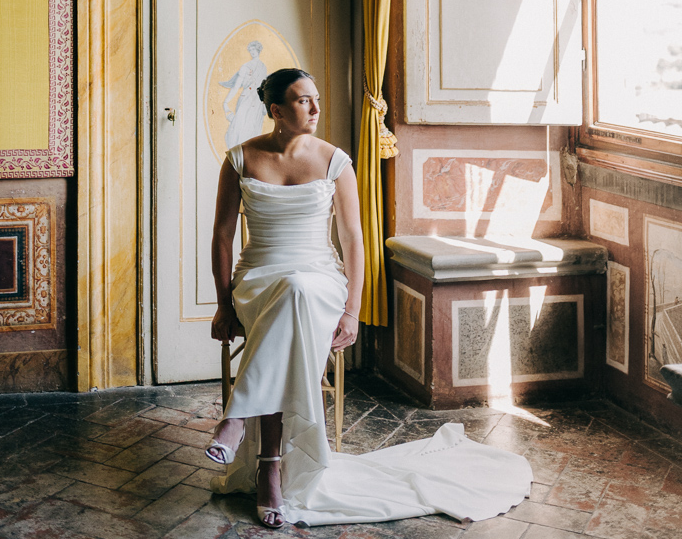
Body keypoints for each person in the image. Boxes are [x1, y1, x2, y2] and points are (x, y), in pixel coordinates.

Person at [206, 68, 533, 529]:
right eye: (303, 101)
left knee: (298, 289)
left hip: (320, 279)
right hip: (259, 278)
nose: (316, 108)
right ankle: (270, 467)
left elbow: (353, 239)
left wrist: (352, 310)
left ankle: (241, 425)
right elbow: (222, 237)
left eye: (316, 98)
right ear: (276, 110)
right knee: (290, 295)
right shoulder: (240, 159)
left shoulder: (335, 161)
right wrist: (224, 304)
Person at [219, 40, 268, 150]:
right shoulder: (246, 66)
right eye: (250, 50)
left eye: (254, 49)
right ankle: (239, 154)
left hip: (258, 102)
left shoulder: (263, 67)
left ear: (258, 50)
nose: (252, 52)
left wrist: (265, 103)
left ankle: (251, 154)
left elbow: (264, 87)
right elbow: (236, 86)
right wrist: (226, 101)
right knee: (239, 127)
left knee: (254, 129)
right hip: (246, 98)